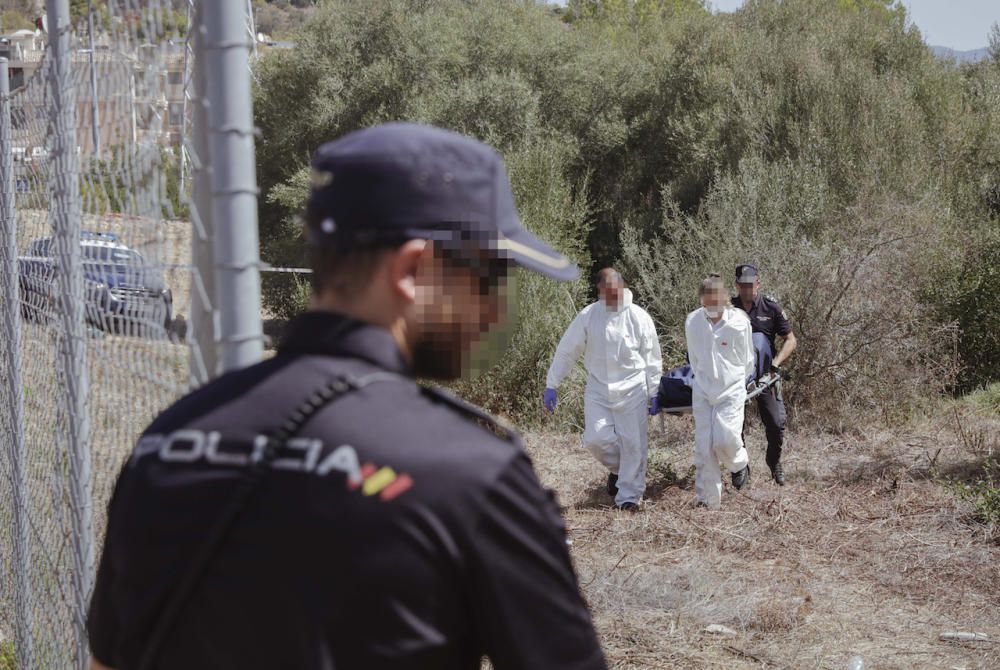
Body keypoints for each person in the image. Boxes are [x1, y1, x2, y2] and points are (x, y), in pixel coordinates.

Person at [86, 123, 608, 670]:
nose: (495, 311)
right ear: (413, 270)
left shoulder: (168, 442)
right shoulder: (470, 474)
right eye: (489, 279)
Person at [542, 269, 662, 511]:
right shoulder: (589, 315)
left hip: (633, 388)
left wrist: (654, 391)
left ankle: (629, 497)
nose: (612, 296)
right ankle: (621, 470)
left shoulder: (638, 317)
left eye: (615, 290)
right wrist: (552, 383)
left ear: (622, 287)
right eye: (606, 292)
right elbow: (568, 350)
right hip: (599, 387)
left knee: (632, 443)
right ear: (600, 290)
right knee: (596, 439)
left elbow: (652, 357)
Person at [685, 273, 754, 509]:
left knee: (725, 439)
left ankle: (739, 463)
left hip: (731, 387)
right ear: (702, 300)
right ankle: (709, 501)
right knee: (704, 446)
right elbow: (694, 358)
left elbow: (747, 359)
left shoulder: (739, 321)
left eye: (717, 300)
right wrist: (705, 378)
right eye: (708, 301)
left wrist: (734, 380)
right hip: (703, 388)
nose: (713, 305)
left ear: (724, 298)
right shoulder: (693, 321)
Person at [731, 263, 797, 485]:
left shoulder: (771, 308)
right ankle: (741, 469)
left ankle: (773, 461)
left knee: (776, 422)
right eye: (743, 285)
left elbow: (791, 340)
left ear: (758, 283)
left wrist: (775, 365)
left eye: (751, 284)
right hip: (736, 376)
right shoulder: (729, 309)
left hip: (765, 376)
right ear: (737, 285)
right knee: (733, 425)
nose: (748, 289)